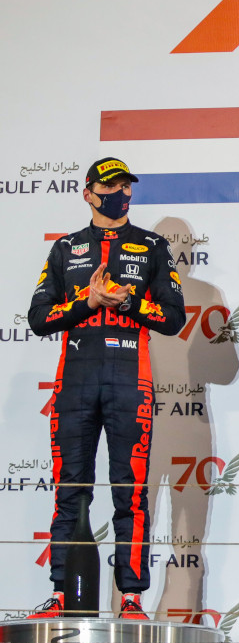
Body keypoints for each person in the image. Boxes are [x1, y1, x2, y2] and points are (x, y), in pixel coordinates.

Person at [27, 157, 185, 619]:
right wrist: (88, 301)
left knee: (129, 491)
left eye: (127, 186)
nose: (123, 193)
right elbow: (38, 318)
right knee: (69, 490)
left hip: (128, 378)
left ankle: (132, 599)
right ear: (89, 193)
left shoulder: (152, 246)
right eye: (112, 185)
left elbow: (173, 319)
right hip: (74, 380)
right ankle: (63, 596)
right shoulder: (65, 248)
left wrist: (128, 301)